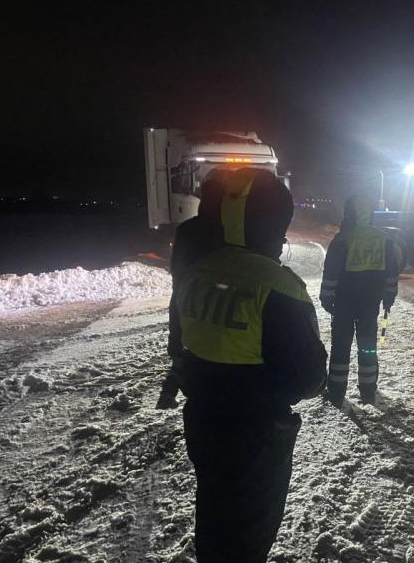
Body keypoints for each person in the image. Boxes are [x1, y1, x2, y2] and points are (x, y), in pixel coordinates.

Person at [176, 168, 327, 562]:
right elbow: (309, 377)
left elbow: (180, 344)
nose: (281, 239)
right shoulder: (278, 284)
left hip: (203, 421)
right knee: (248, 535)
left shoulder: (195, 273)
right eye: (279, 228)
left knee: (213, 514)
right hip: (256, 437)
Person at [319, 194, 399, 406]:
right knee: (368, 346)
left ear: (350, 213)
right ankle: (368, 390)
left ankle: (336, 392)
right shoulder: (384, 239)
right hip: (370, 303)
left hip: (344, 302)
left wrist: (326, 298)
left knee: (341, 346)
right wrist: (389, 297)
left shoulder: (342, 239)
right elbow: (392, 273)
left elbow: (331, 273)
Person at [156, 170, 226, 409]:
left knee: (182, 347)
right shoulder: (229, 230)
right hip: (216, 299)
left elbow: (176, 267)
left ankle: (173, 385)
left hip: (184, 295)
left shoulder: (187, 229)